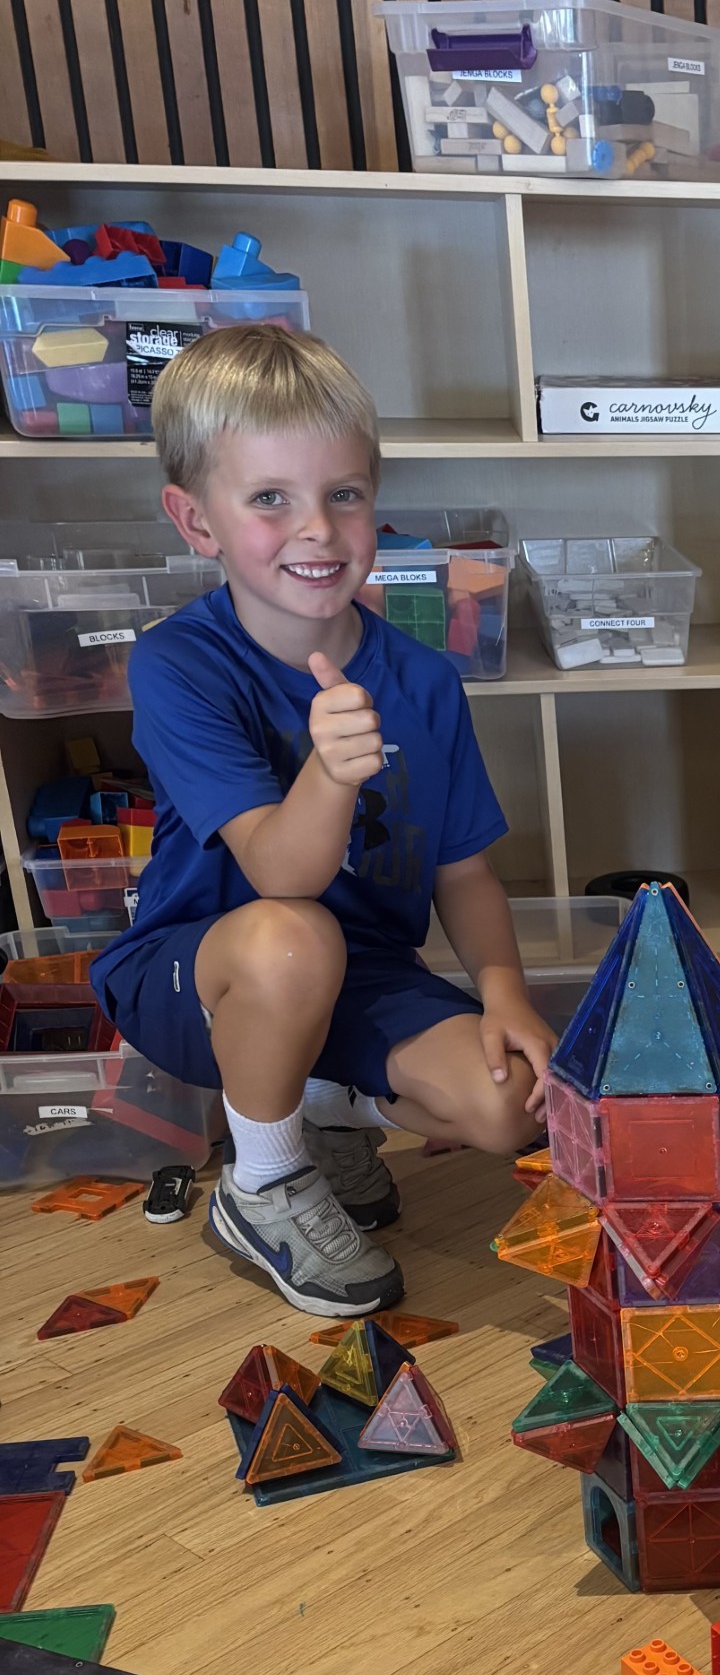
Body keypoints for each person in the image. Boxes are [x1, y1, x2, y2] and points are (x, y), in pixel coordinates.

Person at [91, 325, 553, 1318]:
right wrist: (333, 771)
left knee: (508, 1103)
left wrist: (505, 993)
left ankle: (314, 1100)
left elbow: (464, 869)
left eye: (343, 494)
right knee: (293, 942)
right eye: (270, 499)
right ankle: (264, 1180)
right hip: (198, 967)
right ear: (195, 519)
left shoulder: (424, 679)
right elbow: (283, 878)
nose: (317, 530)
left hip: (361, 967)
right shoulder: (177, 665)